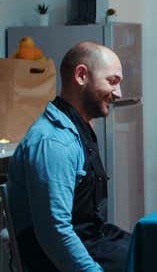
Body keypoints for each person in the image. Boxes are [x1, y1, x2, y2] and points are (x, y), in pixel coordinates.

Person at [8, 41, 131, 272]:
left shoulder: (78, 128)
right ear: (81, 75)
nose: (118, 93)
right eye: (112, 81)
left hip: (92, 241)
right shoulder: (54, 143)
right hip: (53, 261)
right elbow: (54, 232)